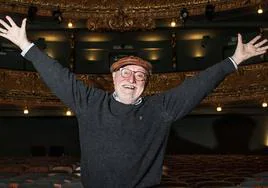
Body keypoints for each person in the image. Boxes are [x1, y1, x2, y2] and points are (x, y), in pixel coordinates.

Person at [0, 16, 267, 188]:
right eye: (125, 72)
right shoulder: (90, 102)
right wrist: (26, 46)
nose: (132, 78)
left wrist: (233, 61)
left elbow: (196, 86)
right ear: (114, 78)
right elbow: (58, 76)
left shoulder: (160, 109)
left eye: (139, 74)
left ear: (145, 83)